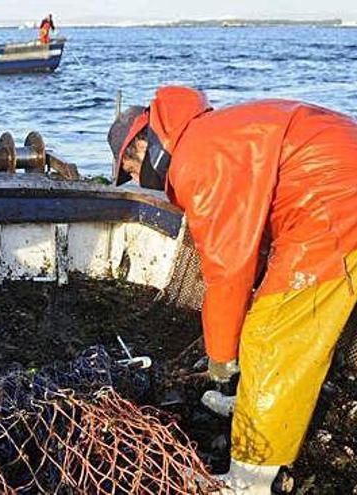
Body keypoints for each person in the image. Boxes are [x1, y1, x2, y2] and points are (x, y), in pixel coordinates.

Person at [107, 86, 357, 493]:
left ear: (142, 144)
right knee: (266, 318)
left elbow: (226, 272)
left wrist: (221, 359)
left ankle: (251, 478)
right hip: (328, 181)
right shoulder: (206, 134)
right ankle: (252, 405)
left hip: (335, 200)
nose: (137, 180)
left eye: (130, 170)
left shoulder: (193, 163)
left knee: (272, 337)